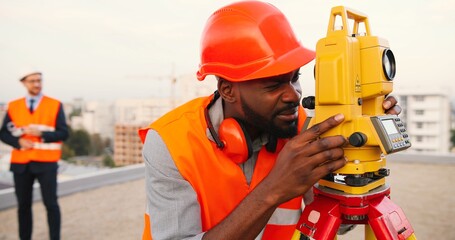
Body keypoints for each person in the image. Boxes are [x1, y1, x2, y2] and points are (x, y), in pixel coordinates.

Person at [139, 1, 402, 239]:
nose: (294, 95)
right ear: (228, 89)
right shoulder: (171, 144)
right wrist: (273, 190)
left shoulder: (304, 128)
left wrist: (361, 137)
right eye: (274, 84)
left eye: (295, 78)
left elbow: (338, 222)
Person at [0, 70, 68, 240]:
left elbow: (64, 133)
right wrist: (19, 142)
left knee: (51, 205)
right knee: (23, 207)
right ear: (23, 82)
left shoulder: (55, 104)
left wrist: (42, 134)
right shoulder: (14, 105)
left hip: (46, 163)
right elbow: (3, 134)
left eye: (39, 80)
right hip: (21, 164)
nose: (37, 84)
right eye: (32, 81)